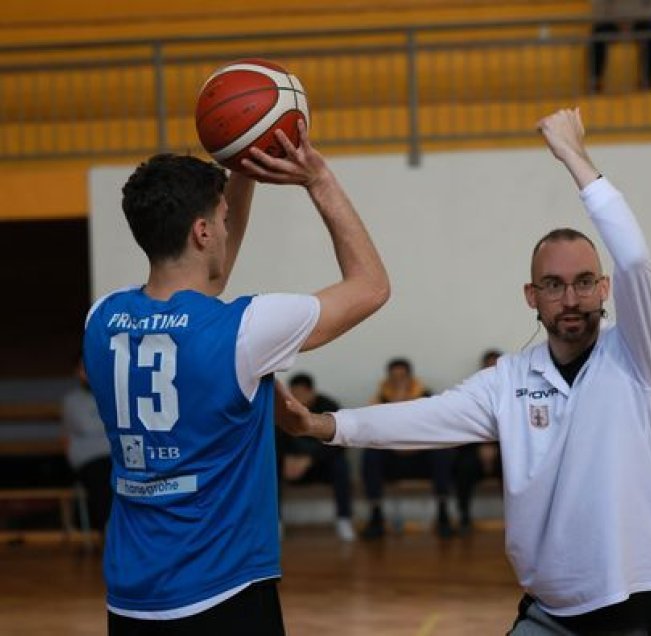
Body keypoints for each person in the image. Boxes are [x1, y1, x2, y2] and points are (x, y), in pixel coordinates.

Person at [282, 109, 651, 633]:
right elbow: (425, 419)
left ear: (605, 288)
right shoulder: (509, 380)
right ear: (532, 297)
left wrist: (573, 155)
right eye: (553, 285)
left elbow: (635, 257)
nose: (570, 297)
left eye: (583, 282)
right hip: (554, 616)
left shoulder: (638, 357)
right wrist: (322, 426)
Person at [83, 122, 389, 635]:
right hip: (221, 592)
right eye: (221, 222)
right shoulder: (243, 333)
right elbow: (371, 285)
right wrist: (319, 180)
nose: (227, 230)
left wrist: (239, 172)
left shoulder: (101, 318)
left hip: (132, 597)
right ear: (202, 232)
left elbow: (204, 282)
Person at [360, 358, 456, 539]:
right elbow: (373, 431)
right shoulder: (379, 398)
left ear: (410, 377)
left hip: (420, 457)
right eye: (394, 378)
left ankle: (443, 514)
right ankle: (376, 515)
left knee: (442, 452)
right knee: (370, 454)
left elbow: (435, 428)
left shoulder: (426, 396)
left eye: (402, 377)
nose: (398, 381)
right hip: (392, 459)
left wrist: (414, 444)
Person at [273, 373, 355, 541]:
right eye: (293, 393)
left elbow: (339, 444)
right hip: (289, 467)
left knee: (341, 465)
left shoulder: (328, 407)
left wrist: (309, 460)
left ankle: (344, 519)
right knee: (269, 468)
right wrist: (287, 459)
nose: (296, 398)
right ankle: (276, 522)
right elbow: (272, 440)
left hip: (319, 466)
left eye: (301, 393)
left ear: (311, 392)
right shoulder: (282, 409)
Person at [454, 349, 503, 533]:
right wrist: (481, 447)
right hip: (474, 449)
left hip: (504, 451)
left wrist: (496, 448)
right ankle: (464, 516)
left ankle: (518, 519)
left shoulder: (517, 391)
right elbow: (462, 424)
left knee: (514, 466)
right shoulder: (473, 391)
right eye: (489, 366)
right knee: (464, 467)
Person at [62, 357, 112, 535]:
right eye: (84, 369)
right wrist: (111, 419)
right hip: (90, 460)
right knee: (101, 476)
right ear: (77, 372)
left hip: (117, 457)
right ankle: (107, 529)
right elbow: (86, 426)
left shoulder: (112, 393)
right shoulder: (72, 401)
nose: (89, 373)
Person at [588, 0, 651, 92]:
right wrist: (616, 20)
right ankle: (595, 80)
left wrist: (634, 20)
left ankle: (647, 80)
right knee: (598, 34)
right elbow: (598, 5)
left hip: (641, 20)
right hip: (611, 21)